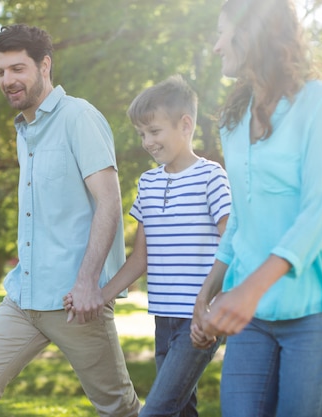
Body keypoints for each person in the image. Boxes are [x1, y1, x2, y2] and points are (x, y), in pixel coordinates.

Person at [0, 24, 141, 417]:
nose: (7, 80)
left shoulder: (79, 117)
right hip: (23, 298)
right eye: (1, 72)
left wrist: (87, 283)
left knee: (118, 409)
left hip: (75, 302)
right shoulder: (24, 130)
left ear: (44, 65)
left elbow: (108, 202)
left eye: (18, 69)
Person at [190, 1, 322, 416]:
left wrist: (248, 290)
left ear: (253, 34)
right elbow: (241, 220)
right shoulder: (233, 120)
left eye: (223, 33)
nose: (215, 47)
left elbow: (316, 214)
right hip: (252, 317)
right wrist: (209, 290)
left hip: (314, 311)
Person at [65, 75, 231, 416]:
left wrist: (216, 302)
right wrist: (100, 293)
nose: (147, 142)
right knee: (182, 408)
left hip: (198, 317)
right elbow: (141, 257)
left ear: (185, 125)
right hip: (164, 318)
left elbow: (234, 241)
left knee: (157, 408)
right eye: (142, 134)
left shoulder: (211, 177)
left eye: (154, 131)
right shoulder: (149, 182)